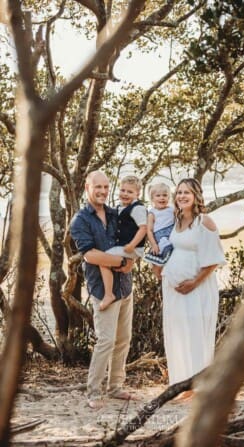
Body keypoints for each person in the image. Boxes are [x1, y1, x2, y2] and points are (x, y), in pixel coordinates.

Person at [70, 170, 137, 410]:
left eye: (106, 187)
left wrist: (131, 260)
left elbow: (129, 242)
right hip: (102, 290)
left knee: (123, 340)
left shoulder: (115, 213)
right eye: (97, 187)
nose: (102, 191)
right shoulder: (80, 220)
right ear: (87, 187)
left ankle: (116, 386)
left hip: (125, 286)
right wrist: (120, 262)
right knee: (105, 340)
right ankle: (93, 390)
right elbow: (90, 255)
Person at [161, 178, 226, 401]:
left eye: (187, 192)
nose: (181, 196)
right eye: (179, 192)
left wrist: (194, 283)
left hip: (197, 289)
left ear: (196, 195)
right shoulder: (176, 219)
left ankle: (196, 385)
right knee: (177, 333)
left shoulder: (204, 222)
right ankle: (181, 384)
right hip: (175, 291)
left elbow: (214, 260)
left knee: (195, 334)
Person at [99, 175, 147, 310]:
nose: (125, 194)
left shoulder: (137, 208)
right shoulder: (119, 207)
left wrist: (132, 245)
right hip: (125, 247)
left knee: (103, 258)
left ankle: (109, 294)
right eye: (123, 190)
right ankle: (123, 269)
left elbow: (143, 228)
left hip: (133, 247)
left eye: (130, 192)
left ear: (138, 194)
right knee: (108, 258)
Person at [144, 183, 174, 279]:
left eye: (165, 195)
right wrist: (153, 244)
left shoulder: (172, 210)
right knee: (157, 261)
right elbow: (149, 230)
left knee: (171, 257)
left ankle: (169, 275)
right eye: (158, 195)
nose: (162, 198)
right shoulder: (152, 213)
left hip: (171, 235)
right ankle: (161, 279)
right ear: (152, 198)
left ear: (169, 197)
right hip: (160, 238)